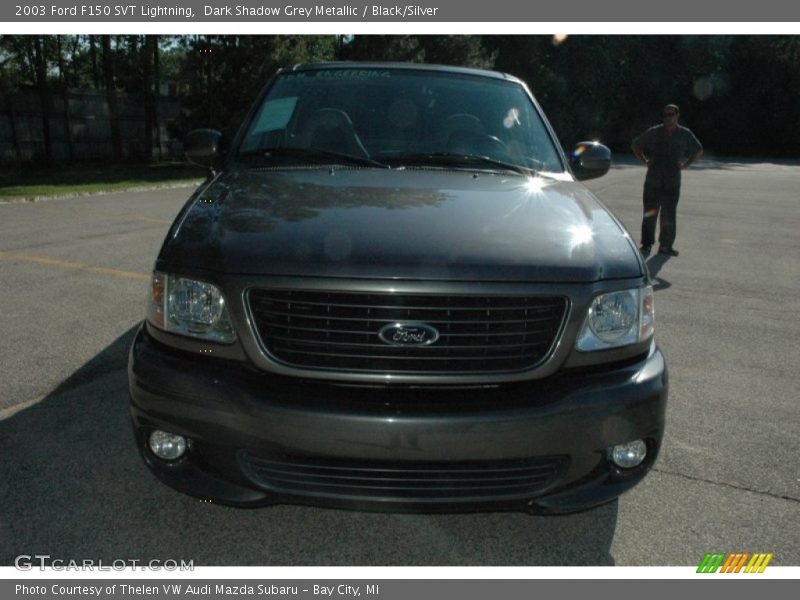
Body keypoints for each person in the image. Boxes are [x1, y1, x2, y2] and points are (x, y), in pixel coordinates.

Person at [631, 104, 703, 257]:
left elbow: (698, 150)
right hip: (653, 180)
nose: (668, 117)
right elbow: (636, 145)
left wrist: (686, 164)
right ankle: (646, 245)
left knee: (669, 214)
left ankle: (666, 246)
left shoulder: (685, 134)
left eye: (671, 114)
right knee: (650, 213)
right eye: (665, 115)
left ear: (677, 115)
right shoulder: (654, 132)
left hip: (672, 181)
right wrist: (644, 161)